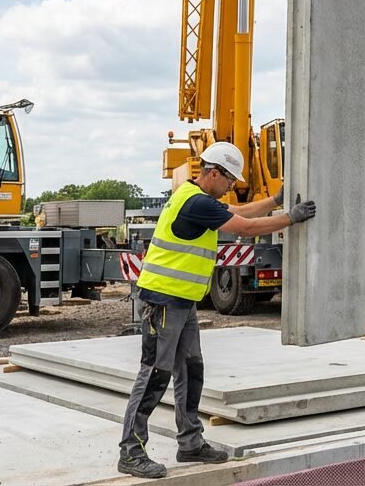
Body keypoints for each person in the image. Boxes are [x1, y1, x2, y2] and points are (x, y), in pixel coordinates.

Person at [117, 141, 318, 479]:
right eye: (229, 180)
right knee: (154, 374)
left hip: (182, 302)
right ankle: (131, 451)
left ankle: (190, 443)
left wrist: (275, 201)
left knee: (191, 370)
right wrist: (290, 219)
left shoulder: (196, 197)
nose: (231, 186)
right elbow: (245, 227)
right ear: (214, 173)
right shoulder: (195, 202)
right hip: (163, 301)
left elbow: (238, 212)